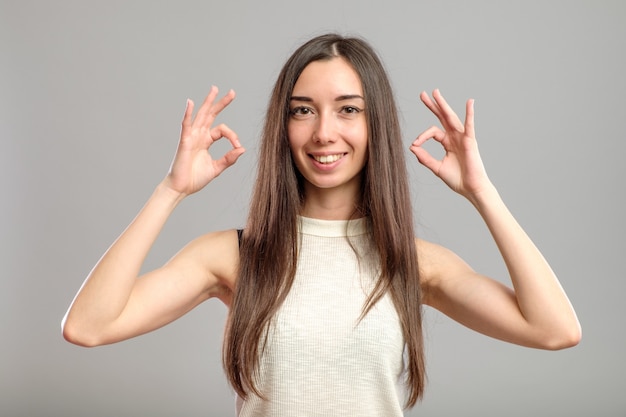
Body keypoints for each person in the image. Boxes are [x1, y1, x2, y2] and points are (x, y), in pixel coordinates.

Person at [62, 33, 581, 416]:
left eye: (348, 110)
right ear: (283, 127)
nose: (324, 132)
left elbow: (555, 329)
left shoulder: (414, 263)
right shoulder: (234, 256)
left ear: (375, 123)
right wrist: (170, 191)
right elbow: (88, 326)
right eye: (303, 110)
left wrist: (482, 194)